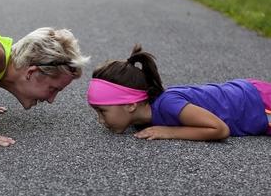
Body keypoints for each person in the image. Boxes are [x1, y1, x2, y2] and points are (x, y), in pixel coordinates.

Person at [87, 44, 271, 141]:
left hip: (259, 103)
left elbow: (219, 129)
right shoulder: (143, 118)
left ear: (130, 104)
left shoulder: (168, 104)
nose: (100, 120)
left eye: (102, 111)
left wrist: (169, 132)